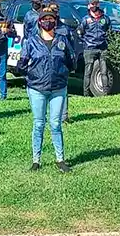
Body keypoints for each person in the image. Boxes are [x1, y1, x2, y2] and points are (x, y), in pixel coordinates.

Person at [17, 9, 76, 173]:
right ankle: (36, 160)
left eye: (51, 19)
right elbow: (22, 63)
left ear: (55, 22)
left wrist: (64, 72)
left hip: (58, 88)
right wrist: (31, 74)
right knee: (38, 124)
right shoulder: (31, 42)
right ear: (40, 22)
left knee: (56, 124)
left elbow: (72, 61)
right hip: (37, 88)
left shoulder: (62, 40)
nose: (48, 22)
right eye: (45, 19)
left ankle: (60, 159)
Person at [77, 0, 110, 96]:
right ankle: (86, 94)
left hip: (102, 48)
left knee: (104, 71)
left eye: (95, 4)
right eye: (92, 4)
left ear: (98, 5)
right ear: (88, 6)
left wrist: (106, 40)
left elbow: (109, 30)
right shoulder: (85, 19)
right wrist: (86, 42)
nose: (94, 6)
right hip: (89, 48)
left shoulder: (105, 18)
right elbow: (80, 32)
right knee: (88, 72)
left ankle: (105, 94)